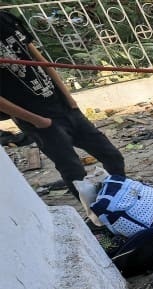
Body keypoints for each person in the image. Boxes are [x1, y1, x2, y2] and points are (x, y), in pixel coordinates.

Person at [0, 9, 125, 192]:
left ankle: (119, 198)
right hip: (38, 120)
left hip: (63, 105)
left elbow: (39, 59)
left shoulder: (4, 19)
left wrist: (69, 98)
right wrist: (38, 121)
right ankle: (97, 215)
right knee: (74, 173)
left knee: (112, 156)